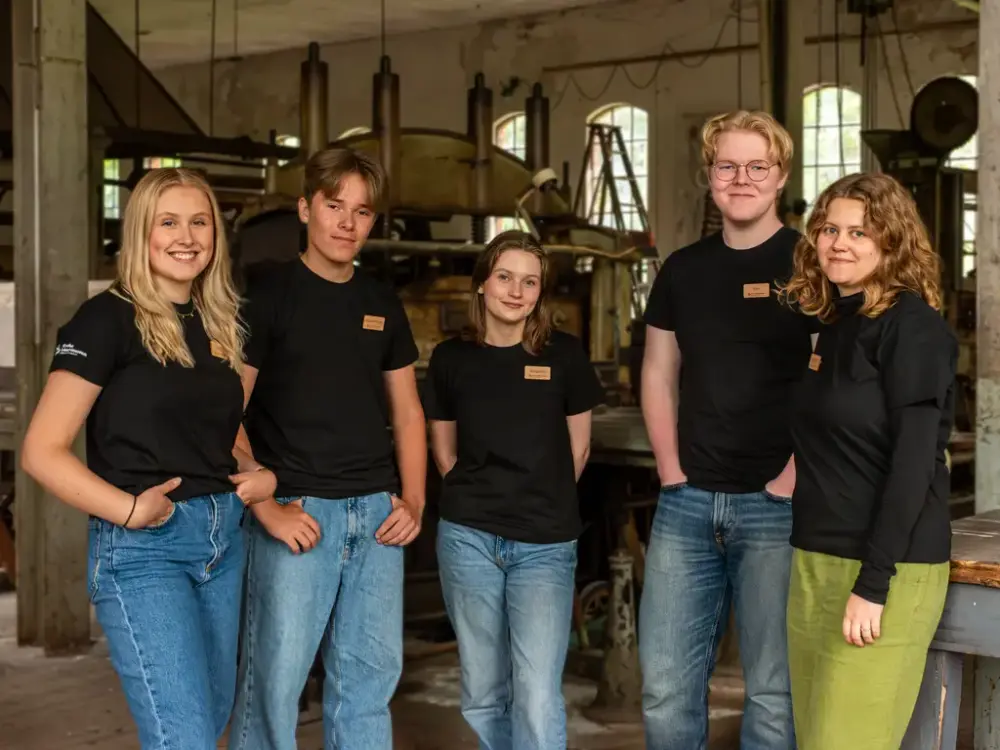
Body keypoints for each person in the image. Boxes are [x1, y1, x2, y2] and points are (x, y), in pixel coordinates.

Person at [20, 167, 277, 749]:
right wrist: (128, 511)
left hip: (222, 540)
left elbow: (222, 428)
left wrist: (258, 471)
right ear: (142, 231)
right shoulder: (105, 319)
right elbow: (41, 450)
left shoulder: (218, 324)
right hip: (145, 549)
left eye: (199, 222)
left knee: (208, 723)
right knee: (181, 734)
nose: (186, 236)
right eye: (168, 222)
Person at [229, 147, 426, 750]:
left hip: (374, 516)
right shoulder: (267, 297)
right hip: (297, 509)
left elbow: (409, 412)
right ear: (305, 208)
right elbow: (223, 414)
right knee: (275, 683)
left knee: (368, 683)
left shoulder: (381, 302)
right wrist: (265, 507)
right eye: (334, 206)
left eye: (361, 212)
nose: (347, 223)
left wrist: (413, 500)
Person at [638, 110, 814, 750]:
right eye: (727, 166)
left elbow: (834, 377)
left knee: (772, 694)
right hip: (686, 504)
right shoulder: (683, 269)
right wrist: (670, 471)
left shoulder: (811, 265)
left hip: (777, 507)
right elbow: (659, 371)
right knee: (664, 688)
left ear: (780, 177)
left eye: (756, 167)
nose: (741, 179)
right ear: (709, 176)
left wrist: (791, 477)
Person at [779, 172, 957, 749]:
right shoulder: (836, 325)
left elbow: (915, 465)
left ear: (892, 241)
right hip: (814, 560)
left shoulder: (914, 330)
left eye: (860, 231)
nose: (839, 242)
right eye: (830, 228)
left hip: (884, 567)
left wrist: (874, 583)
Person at [423, 231, 604, 749]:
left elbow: (580, 451)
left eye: (530, 281)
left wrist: (536, 495)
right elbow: (444, 453)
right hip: (469, 540)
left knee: (537, 690)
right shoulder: (451, 358)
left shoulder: (565, 356)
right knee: (482, 687)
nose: (516, 291)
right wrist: (484, 497)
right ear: (482, 284)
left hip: (544, 544)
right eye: (505, 277)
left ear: (540, 292)